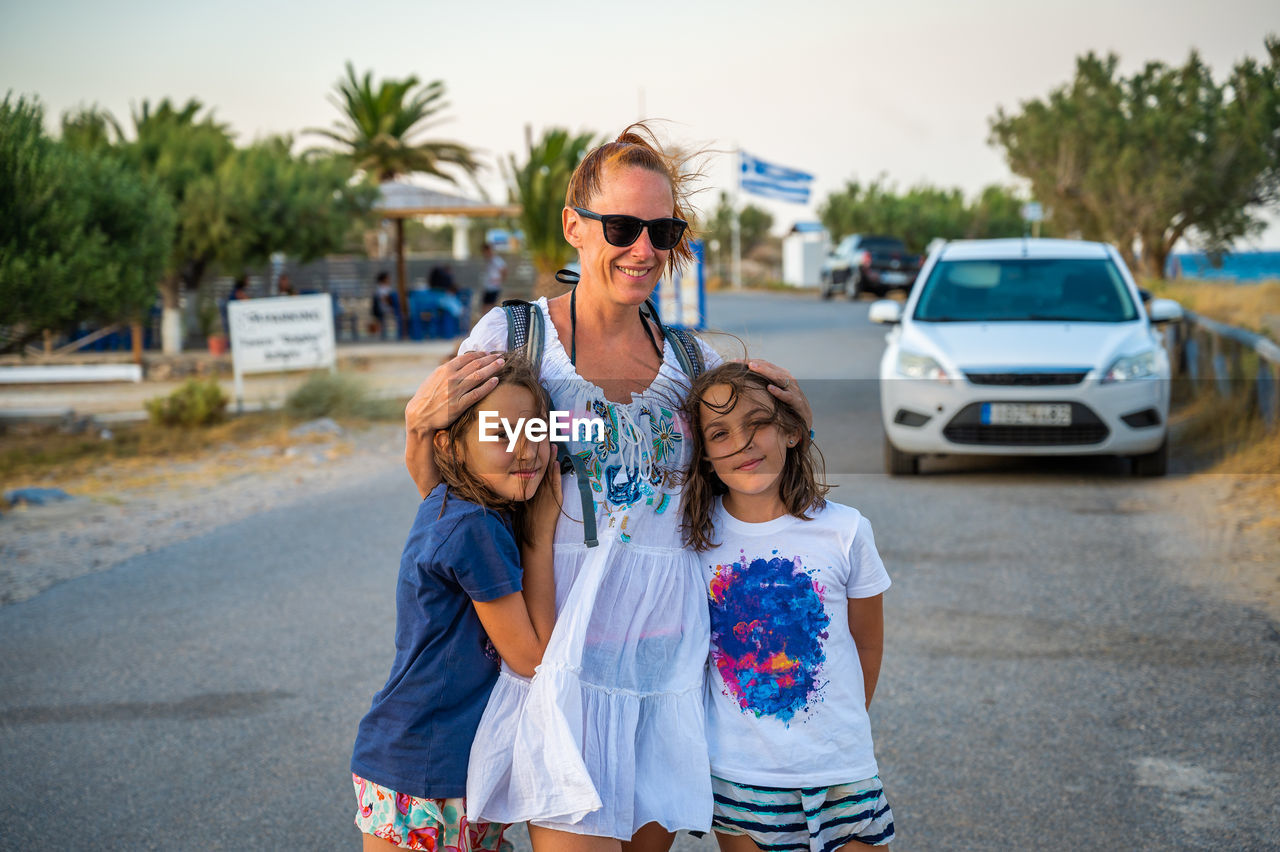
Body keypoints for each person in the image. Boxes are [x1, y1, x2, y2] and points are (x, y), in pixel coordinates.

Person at [402, 124, 812, 852]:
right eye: (622, 226)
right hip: (560, 674)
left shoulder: (695, 363)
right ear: (575, 228)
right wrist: (416, 429)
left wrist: (791, 435)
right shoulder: (514, 341)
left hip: (667, 674)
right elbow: (448, 492)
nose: (644, 249)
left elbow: (749, 508)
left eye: (663, 230)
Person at [681, 362, 895, 851]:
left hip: (844, 770)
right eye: (719, 432)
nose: (741, 442)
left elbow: (868, 644)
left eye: (758, 422)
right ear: (705, 455)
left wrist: (834, 731)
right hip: (741, 778)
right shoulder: (693, 540)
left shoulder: (846, 532)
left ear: (792, 431)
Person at [351, 358, 561, 852]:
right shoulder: (475, 528)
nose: (526, 450)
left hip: (426, 758)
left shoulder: (452, 502)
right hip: (431, 769)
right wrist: (543, 532)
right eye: (502, 434)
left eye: (537, 431)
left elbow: (423, 464)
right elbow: (532, 660)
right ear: (452, 448)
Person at [480, 244, 506, 309]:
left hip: (494, 287)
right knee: (485, 306)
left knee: (490, 306)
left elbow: (504, 270)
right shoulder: (488, 260)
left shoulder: (496, 260)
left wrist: (499, 280)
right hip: (488, 287)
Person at [371, 271, 397, 340]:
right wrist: (391, 305)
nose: (389, 280)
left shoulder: (385, 288)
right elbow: (384, 299)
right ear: (383, 279)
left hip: (385, 308)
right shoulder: (381, 288)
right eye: (387, 278)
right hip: (383, 309)